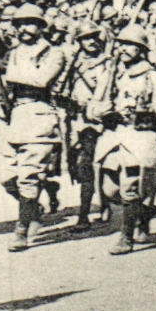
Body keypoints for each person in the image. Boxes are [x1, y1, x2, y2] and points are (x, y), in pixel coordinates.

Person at [91, 24, 156, 255]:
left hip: (142, 137)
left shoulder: (155, 79)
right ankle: (143, 212)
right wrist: (100, 109)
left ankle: (126, 236)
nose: (123, 49)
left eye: (130, 45)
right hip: (115, 137)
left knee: (129, 189)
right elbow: (93, 107)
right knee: (109, 190)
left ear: (142, 50)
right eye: (121, 44)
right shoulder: (113, 74)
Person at [0, 4, 68, 251]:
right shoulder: (13, 52)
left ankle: (22, 230)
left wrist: (7, 73)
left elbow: (41, 80)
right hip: (16, 118)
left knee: (27, 179)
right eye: (19, 24)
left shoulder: (53, 52)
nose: (24, 29)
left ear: (41, 27)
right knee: (7, 178)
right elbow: (3, 86)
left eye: (30, 23)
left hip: (40, 117)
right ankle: (34, 204)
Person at [61, 18, 111, 230]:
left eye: (93, 37)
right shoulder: (73, 60)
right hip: (76, 119)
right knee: (78, 165)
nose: (90, 42)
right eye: (85, 39)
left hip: (98, 121)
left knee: (90, 165)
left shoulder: (108, 62)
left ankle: (85, 214)